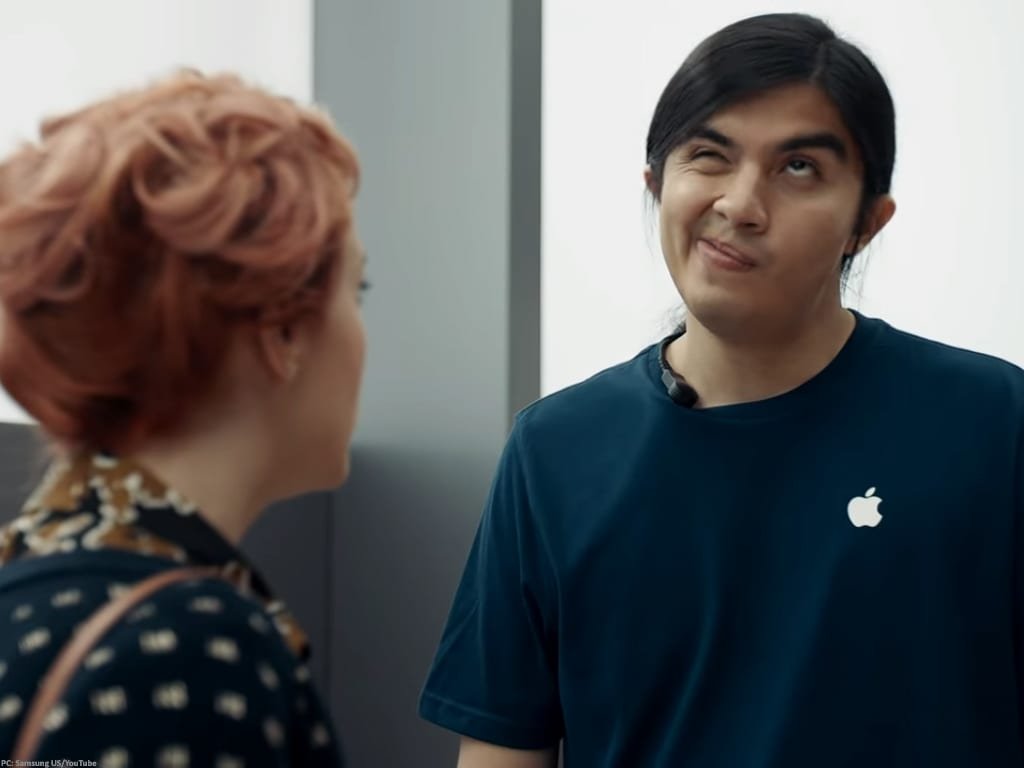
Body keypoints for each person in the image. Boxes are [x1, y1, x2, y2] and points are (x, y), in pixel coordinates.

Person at [419, 12, 1024, 767]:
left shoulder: (993, 424)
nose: (740, 205)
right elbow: (504, 749)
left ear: (867, 222)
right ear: (656, 184)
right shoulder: (555, 451)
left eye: (798, 167)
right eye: (709, 155)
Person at [0, 71, 367, 766]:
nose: (363, 333)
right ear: (282, 332)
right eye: (359, 287)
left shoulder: (29, 583)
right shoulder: (188, 650)